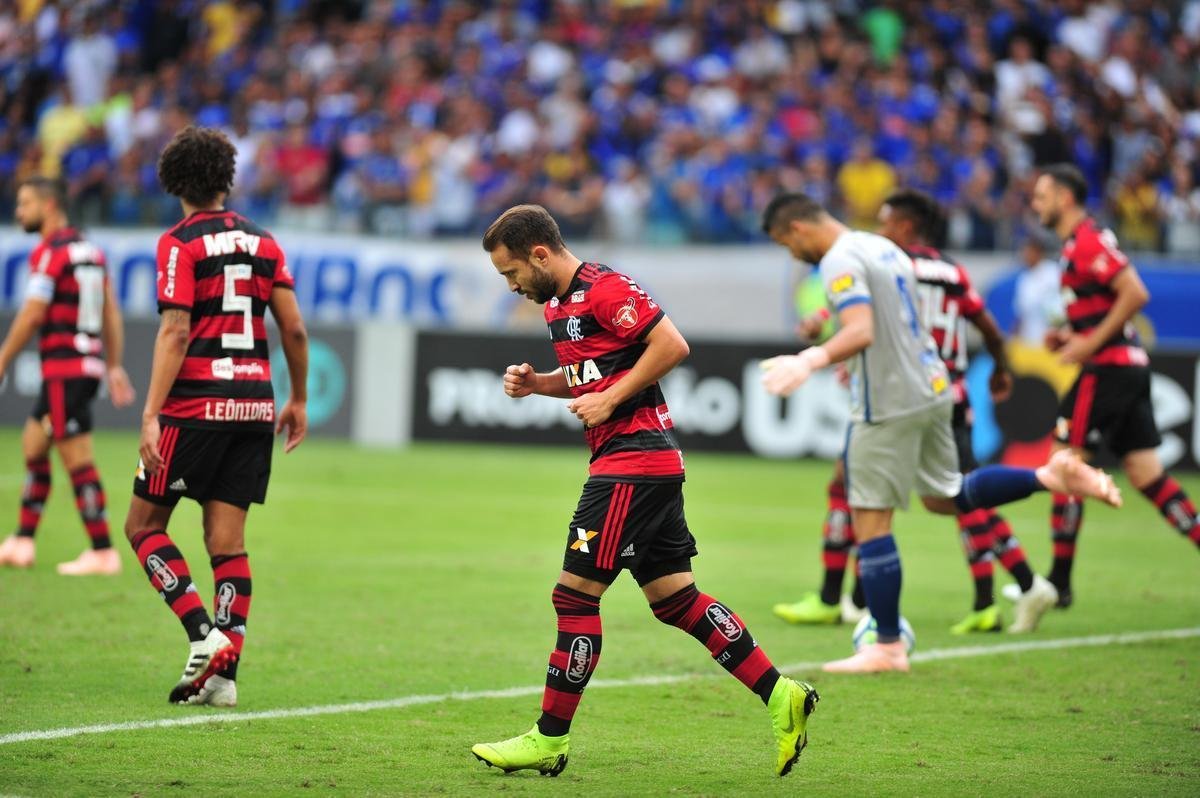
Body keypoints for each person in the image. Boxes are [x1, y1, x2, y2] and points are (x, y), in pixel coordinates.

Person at [471, 204, 818, 778]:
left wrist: (611, 400)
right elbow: (592, 377)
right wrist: (540, 385)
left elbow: (671, 345)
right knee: (675, 600)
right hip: (644, 466)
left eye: (511, 274)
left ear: (539, 254)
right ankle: (781, 694)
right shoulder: (558, 304)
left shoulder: (604, 287)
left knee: (574, 597)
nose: (511, 287)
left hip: (630, 465)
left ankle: (549, 739)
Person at [759, 193, 1121, 674]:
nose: (792, 254)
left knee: (870, 521)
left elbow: (862, 329)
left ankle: (887, 645)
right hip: (934, 387)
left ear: (799, 228)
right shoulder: (884, 248)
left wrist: (808, 359)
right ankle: (1047, 476)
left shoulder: (840, 258)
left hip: (887, 399)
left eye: (787, 243)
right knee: (944, 495)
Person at [774, 189, 1051, 634]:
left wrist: (816, 354)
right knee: (949, 494)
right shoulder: (946, 271)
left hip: (895, 395)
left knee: (877, 499)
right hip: (944, 390)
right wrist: (1000, 367)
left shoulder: (877, 259)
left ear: (905, 226)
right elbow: (985, 325)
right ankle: (865, 600)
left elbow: (864, 323)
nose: (881, 229)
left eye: (886, 221)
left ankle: (861, 611)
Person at [122, 126, 309, 706]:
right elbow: (295, 329)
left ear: (173, 181)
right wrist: (297, 398)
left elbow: (175, 328)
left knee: (144, 527)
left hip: (194, 409)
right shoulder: (264, 241)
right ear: (226, 178)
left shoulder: (179, 242)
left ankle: (203, 634)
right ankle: (224, 679)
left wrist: (151, 413)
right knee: (227, 544)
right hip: (253, 407)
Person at [1020, 164, 1200, 608]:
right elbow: (1106, 309)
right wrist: (1071, 336)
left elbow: (1135, 292)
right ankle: (1059, 582)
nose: (1035, 204)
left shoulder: (1086, 240)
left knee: (1064, 465)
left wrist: (1089, 344)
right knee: (1147, 475)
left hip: (1108, 370)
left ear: (1064, 198)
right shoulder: (1073, 246)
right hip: (1128, 367)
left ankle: (1058, 583)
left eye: (1042, 196)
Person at [0, 176, 135, 574]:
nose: (19, 211)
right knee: (33, 446)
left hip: (65, 367)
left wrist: (4, 358)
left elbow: (34, 313)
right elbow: (111, 311)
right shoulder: (91, 251)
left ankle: (102, 550)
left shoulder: (50, 253)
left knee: (76, 458)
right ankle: (22, 541)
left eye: (25, 203)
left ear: (50, 206)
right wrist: (112, 364)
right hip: (83, 365)